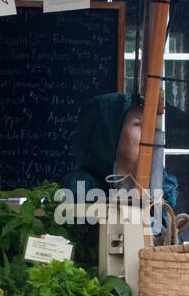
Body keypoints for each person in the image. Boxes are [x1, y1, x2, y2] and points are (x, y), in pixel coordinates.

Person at [61, 92, 182, 234]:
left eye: (150, 125)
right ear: (110, 134)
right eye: (138, 124)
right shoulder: (80, 186)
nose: (149, 134)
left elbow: (172, 245)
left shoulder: (163, 184)